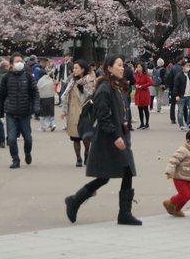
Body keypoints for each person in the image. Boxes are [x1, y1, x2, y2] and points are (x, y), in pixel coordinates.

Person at [64, 55, 141, 225]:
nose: (123, 68)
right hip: (108, 138)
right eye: (119, 65)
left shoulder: (116, 86)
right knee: (105, 176)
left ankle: (124, 213)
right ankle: (75, 200)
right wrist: (115, 136)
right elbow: (102, 115)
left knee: (124, 172)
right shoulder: (104, 88)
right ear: (109, 68)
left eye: (122, 65)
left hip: (118, 136)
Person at [0, 53, 40, 169]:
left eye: (21, 61)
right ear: (11, 64)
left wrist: (36, 107)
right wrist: (0, 113)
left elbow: (35, 93)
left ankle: (27, 152)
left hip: (25, 112)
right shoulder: (6, 78)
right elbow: (1, 96)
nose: (19, 63)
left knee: (28, 138)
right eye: (17, 61)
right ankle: (15, 159)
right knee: (11, 139)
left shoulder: (28, 76)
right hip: (11, 113)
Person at [163, 128, 190, 217]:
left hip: (188, 177)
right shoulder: (183, 150)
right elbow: (173, 160)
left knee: (188, 196)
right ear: (188, 142)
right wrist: (169, 172)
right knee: (184, 194)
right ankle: (170, 203)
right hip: (179, 177)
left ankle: (176, 209)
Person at [62, 60, 94, 166]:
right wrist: (65, 110)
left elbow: (91, 94)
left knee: (85, 136)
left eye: (76, 68)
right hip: (73, 112)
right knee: (75, 137)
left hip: (85, 111)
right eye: (74, 68)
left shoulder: (89, 80)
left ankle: (87, 155)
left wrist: (82, 89)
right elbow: (65, 95)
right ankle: (78, 158)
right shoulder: (72, 81)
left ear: (83, 69)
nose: (74, 70)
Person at [174, 60, 190, 131]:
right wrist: (176, 95)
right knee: (180, 111)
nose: (188, 67)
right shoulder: (179, 75)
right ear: (183, 66)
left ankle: (188, 123)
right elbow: (176, 86)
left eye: (189, 66)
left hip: (189, 96)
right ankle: (181, 125)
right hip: (181, 96)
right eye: (186, 66)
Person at [132, 62, 153, 130]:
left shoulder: (145, 75)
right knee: (139, 109)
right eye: (137, 67)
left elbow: (151, 82)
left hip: (144, 93)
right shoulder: (136, 75)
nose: (138, 68)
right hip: (138, 93)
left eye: (139, 67)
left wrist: (142, 86)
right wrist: (136, 85)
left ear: (143, 68)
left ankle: (147, 123)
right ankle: (142, 123)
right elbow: (134, 82)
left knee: (145, 109)